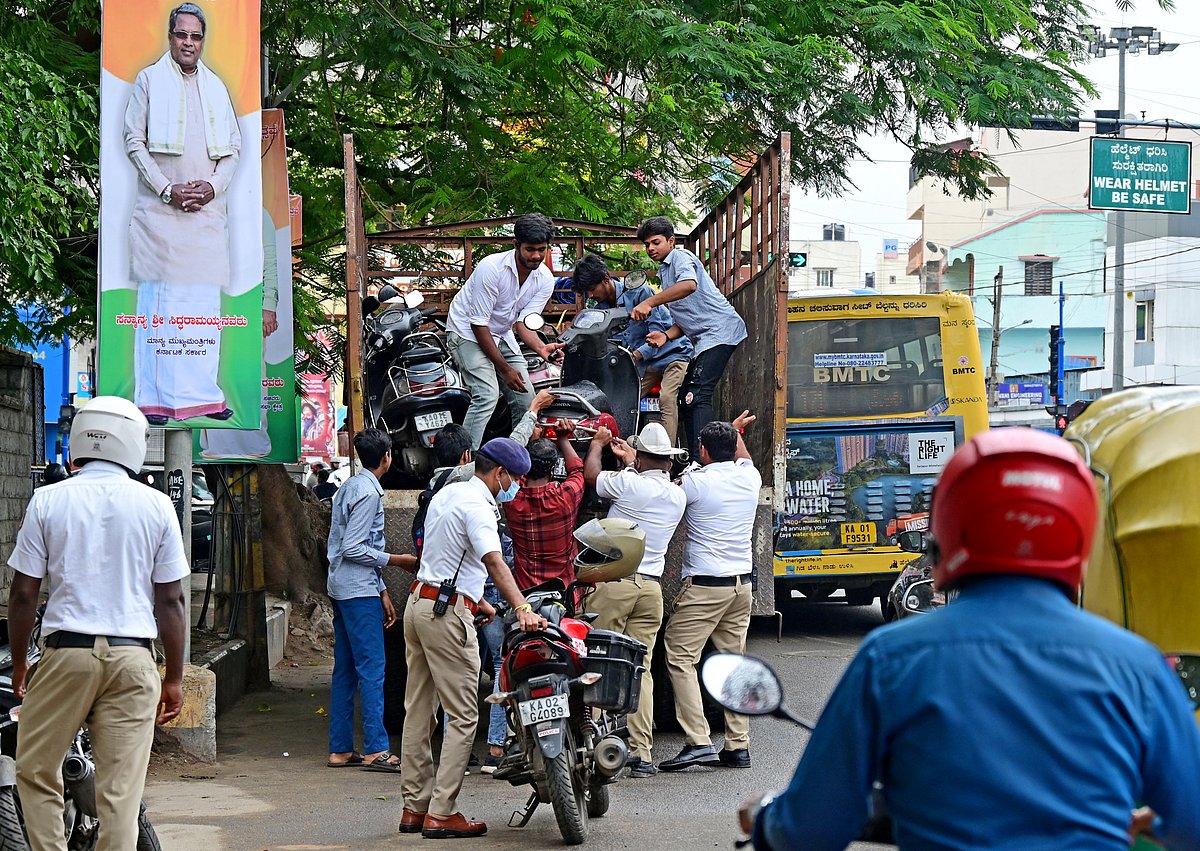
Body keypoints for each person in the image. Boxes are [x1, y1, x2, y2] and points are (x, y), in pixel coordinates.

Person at [742, 429, 1200, 850]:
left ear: (946, 536)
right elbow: (1190, 822)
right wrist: (1146, 823)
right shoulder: (1137, 665)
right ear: (1080, 535)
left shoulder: (892, 658)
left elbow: (811, 829)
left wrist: (766, 819)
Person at [7, 396, 189, 850]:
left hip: (66, 654)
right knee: (121, 796)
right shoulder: (157, 506)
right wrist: (175, 678)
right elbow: (172, 600)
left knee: (35, 770)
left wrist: (18, 666)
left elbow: (24, 592)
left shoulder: (46, 500)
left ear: (78, 441)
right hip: (133, 660)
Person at [399, 438, 547, 839]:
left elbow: (448, 556)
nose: (514, 486)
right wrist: (521, 608)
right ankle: (443, 811)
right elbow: (494, 561)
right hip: (446, 616)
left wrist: (479, 600)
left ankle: (415, 807)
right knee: (463, 716)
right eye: (513, 479)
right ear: (499, 473)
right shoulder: (480, 507)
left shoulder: (448, 493)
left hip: (421, 602)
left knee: (418, 710)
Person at [123, 3, 241, 426]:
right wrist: (167, 189)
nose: (188, 42)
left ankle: (202, 397)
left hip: (205, 218)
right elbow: (133, 141)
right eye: (181, 35)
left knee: (202, 314)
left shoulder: (216, 87)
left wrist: (211, 187)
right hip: (160, 217)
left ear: (201, 40)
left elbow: (233, 150)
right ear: (170, 36)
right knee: (160, 310)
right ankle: (153, 401)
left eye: (195, 36)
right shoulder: (149, 80)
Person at [584, 422, 688, 777]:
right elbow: (642, 484)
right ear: (669, 463)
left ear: (641, 457)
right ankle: (642, 753)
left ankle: (595, 748)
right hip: (650, 590)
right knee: (639, 671)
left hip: (614, 584)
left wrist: (598, 446)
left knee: (597, 666)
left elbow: (593, 477)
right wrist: (632, 462)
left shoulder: (627, 484)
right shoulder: (677, 496)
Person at [660, 413, 760, 772]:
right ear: (734, 448)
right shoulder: (750, 476)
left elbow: (665, 497)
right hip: (741, 586)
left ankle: (699, 741)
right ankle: (737, 745)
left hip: (706, 588)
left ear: (701, 450)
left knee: (679, 656)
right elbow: (742, 454)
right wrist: (734, 434)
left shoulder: (695, 483)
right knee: (735, 664)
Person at [325, 429, 417, 772]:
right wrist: (397, 560)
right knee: (373, 669)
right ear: (387, 457)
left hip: (349, 587)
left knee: (346, 670)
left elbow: (353, 546)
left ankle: (340, 748)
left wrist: (381, 590)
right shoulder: (367, 493)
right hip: (356, 590)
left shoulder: (350, 486)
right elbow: (355, 547)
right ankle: (377, 747)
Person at [444, 213, 565, 448]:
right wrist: (505, 370)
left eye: (542, 249)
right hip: (466, 331)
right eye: (530, 249)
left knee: (526, 398)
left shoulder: (545, 279)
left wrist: (541, 348)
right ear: (516, 245)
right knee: (487, 395)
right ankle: (464, 465)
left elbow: (522, 323)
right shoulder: (491, 268)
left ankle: (517, 462)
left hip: (501, 332)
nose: (537, 256)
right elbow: (478, 324)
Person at [631, 217, 748, 458]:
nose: (650, 248)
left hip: (720, 331)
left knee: (697, 395)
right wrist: (666, 335)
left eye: (655, 242)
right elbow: (687, 317)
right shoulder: (664, 271)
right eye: (647, 245)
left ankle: (703, 458)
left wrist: (650, 301)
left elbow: (689, 286)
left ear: (671, 241)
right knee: (685, 398)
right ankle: (695, 455)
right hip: (704, 338)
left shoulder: (681, 258)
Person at [571, 253, 694, 446]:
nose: (590, 295)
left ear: (606, 280)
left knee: (666, 397)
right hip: (644, 364)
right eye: (586, 292)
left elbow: (658, 332)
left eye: (592, 289)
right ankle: (616, 450)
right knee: (619, 400)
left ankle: (664, 457)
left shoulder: (640, 293)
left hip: (673, 353)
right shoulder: (599, 309)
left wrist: (636, 355)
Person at [504, 423, 586, 591]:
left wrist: (533, 440)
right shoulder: (566, 497)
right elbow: (577, 470)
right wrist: (562, 437)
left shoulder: (512, 501)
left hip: (526, 594)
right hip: (564, 591)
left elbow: (518, 480)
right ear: (554, 470)